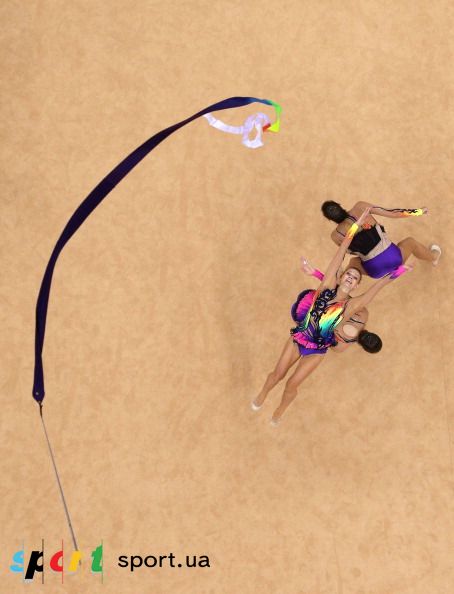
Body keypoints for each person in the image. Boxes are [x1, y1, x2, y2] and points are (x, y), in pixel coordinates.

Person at [252, 207, 409, 425]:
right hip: (300, 337)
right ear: (341, 276)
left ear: (356, 285)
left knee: (291, 385)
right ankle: (263, 393)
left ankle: (280, 411)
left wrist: (400, 271)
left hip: (317, 349)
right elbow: (342, 249)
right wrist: (354, 226)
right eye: (349, 274)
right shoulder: (326, 285)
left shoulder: (351, 306)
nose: (351, 278)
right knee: (277, 375)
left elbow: (379, 286)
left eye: (355, 278)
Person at [321, 200, 441, 278]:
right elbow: (393, 213)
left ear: (330, 219)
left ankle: (341, 283)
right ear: (340, 205)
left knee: (353, 262)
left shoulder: (335, 236)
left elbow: (350, 251)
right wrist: (418, 211)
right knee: (410, 242)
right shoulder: (360, 207)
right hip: (394, 258)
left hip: (375, 271)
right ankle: (434, 257)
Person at [298, 257, 382, 354]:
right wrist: (316, 274)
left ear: (365, 348)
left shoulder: (340, 346)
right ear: (374, 334)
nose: (370, 340)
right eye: (374, 340)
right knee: (355, 263)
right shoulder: (362, 315)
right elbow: (340, 292)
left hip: (306, 313)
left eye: (370, 343)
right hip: (313, 301)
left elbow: (313, 334)